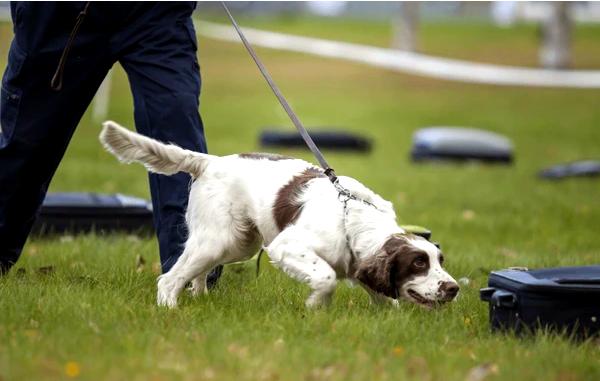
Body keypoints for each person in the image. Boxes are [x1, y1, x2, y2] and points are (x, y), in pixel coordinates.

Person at [0, 1, 222, 285]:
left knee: (177, 135)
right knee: (26, 146)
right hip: (61, 13)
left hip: (154, 13)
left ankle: (192, 274)